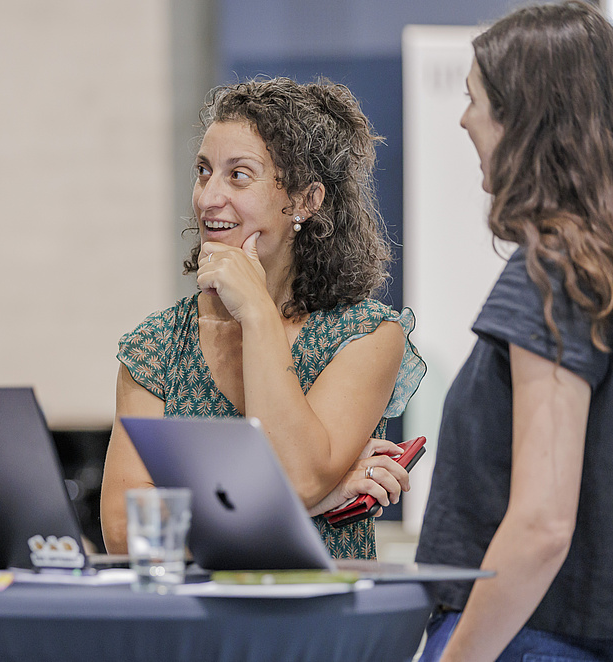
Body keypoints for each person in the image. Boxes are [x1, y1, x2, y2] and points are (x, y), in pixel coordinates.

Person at [100, 76, 425, 557]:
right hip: (196, 627)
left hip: (318, 624)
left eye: (239, 175)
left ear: (306, 201)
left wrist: (255, 311)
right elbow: (127, 532)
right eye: (204, 170)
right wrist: (308, 506)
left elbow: (297, 476)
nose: (209, 197)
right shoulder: (158, 343)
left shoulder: (364, 335)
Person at [415, 2, 613, 660]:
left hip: (529, 639)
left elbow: (541, 526)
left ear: (522, 118)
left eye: (475, 100)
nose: (464, 118)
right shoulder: (593, 268)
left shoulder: (554, 272)